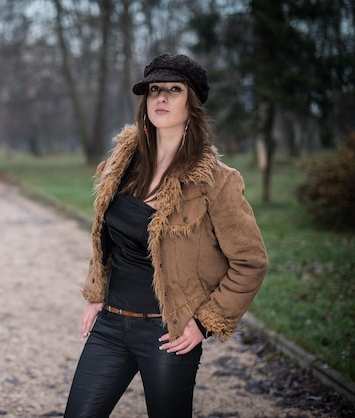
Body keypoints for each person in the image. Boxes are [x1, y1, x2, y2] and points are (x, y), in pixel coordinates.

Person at [64, 53, 268, 418]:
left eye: (174, 90)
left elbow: (250, 262)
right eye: (154, 89)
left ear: (192, 103)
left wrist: (205, 322)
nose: (161, 97)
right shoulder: (122, 164)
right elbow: (106, 243)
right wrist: (97, 295)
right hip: (110, 326)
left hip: (167, 334)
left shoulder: (216, 180)